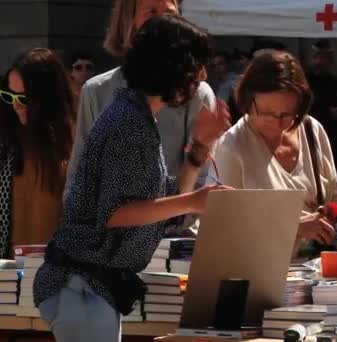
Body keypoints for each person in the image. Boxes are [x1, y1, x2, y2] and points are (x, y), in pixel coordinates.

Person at [33, 15, 229, 342]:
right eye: (197, 65)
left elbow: (164, 209)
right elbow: (115, 214)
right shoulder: (129, 124)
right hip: (79, 287)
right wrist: (196, 200)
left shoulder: (137, 117)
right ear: (173, 67)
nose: (204, 76)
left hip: (91, 287)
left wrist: (198, 150)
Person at [65, 0, 217, 221]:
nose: (202, 76)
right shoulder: (121, 114)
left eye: (170, 13)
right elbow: (107, 211)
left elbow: (183, 201)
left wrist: (197, 155)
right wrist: (190, 202)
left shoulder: (149, 112)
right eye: (152, 13)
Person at [212, 51, 337, 258]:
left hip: (316, 272)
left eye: (287, 115)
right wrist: (291, 225)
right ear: (248, 100)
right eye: (266, 113)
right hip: (260, 272)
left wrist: (332, 218)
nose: (277, 123)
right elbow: (224, 229)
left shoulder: (312, 130)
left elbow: (336, 199)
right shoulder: (232, 147)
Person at [0, 48, 74, 258]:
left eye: (23, 98)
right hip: (6, 278)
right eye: (10, 95)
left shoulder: (74, 145)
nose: (16, 105)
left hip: (55, 273)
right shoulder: (7, 143)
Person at [306, 39, 337, 203]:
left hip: (336, 145)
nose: (320, 61)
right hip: (310, 142)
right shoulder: (305, 83)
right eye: (317, 57)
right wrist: (327, 113)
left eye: (325, 57)